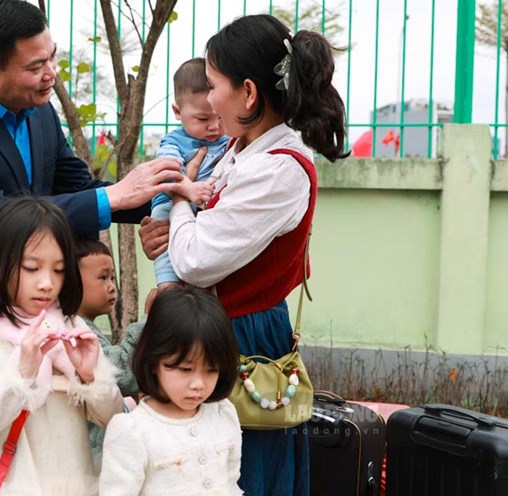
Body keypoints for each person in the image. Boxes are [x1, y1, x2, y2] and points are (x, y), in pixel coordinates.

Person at [0, 0, 188, 493]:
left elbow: (79, 187)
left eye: (52, 57)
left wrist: (164, 200)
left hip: (42, 323)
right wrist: (115, 196)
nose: (51, 74)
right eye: (36, 66)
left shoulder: (39, 113)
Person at [139, 14, 347, 496]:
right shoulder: (243, 148)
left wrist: (181, 201)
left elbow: (194, 259)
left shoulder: (278, 170)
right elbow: (193, 242)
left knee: (235, 471)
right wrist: (170, 231)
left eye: (214, 86)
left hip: (242, 338)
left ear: (248, 93)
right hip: (215, 327)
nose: (209, 99)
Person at [0, 196, 121, 496]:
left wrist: (90, 376)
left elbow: (115, 419)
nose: (47, 283)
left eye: (58, 270)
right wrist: (20, 374)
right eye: (32, 268)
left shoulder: (72, 330)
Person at [99, 287, 242, 496]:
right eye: (185, 369)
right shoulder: (133, 431)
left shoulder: (223, 412)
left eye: (211, 370)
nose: (198, 384)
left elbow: (231, 481)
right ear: (154, 361)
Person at [75, 239, 157, 461]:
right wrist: (148, 322)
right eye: (103, 278)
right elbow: (120, 372)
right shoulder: (76, 331)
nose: (112, 286)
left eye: (112, 278)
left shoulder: (83, 325)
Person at [151, 58, 229, 290]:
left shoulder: (227, 140)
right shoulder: (175, 141)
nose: (214, 126)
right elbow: (166, 172)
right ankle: (167, 287)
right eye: (203, 119)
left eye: (220, 117)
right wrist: (188, 188)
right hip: (169, 205)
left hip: (202, 210)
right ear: (178, 111)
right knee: (165, 243)